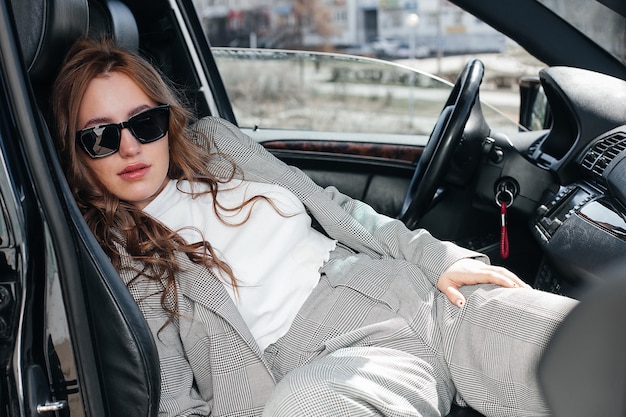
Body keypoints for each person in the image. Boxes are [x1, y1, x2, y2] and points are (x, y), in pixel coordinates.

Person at [51, 38, 577, 417]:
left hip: (415, 298)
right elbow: (164, 388)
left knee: (593, 348)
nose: (129, 147)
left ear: (166, 121)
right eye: (100, 136)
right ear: (76, 155)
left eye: (144, 123)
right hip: (324, 367)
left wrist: (438, 257)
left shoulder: (217, 145)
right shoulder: (116, 257)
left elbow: (335, 206)